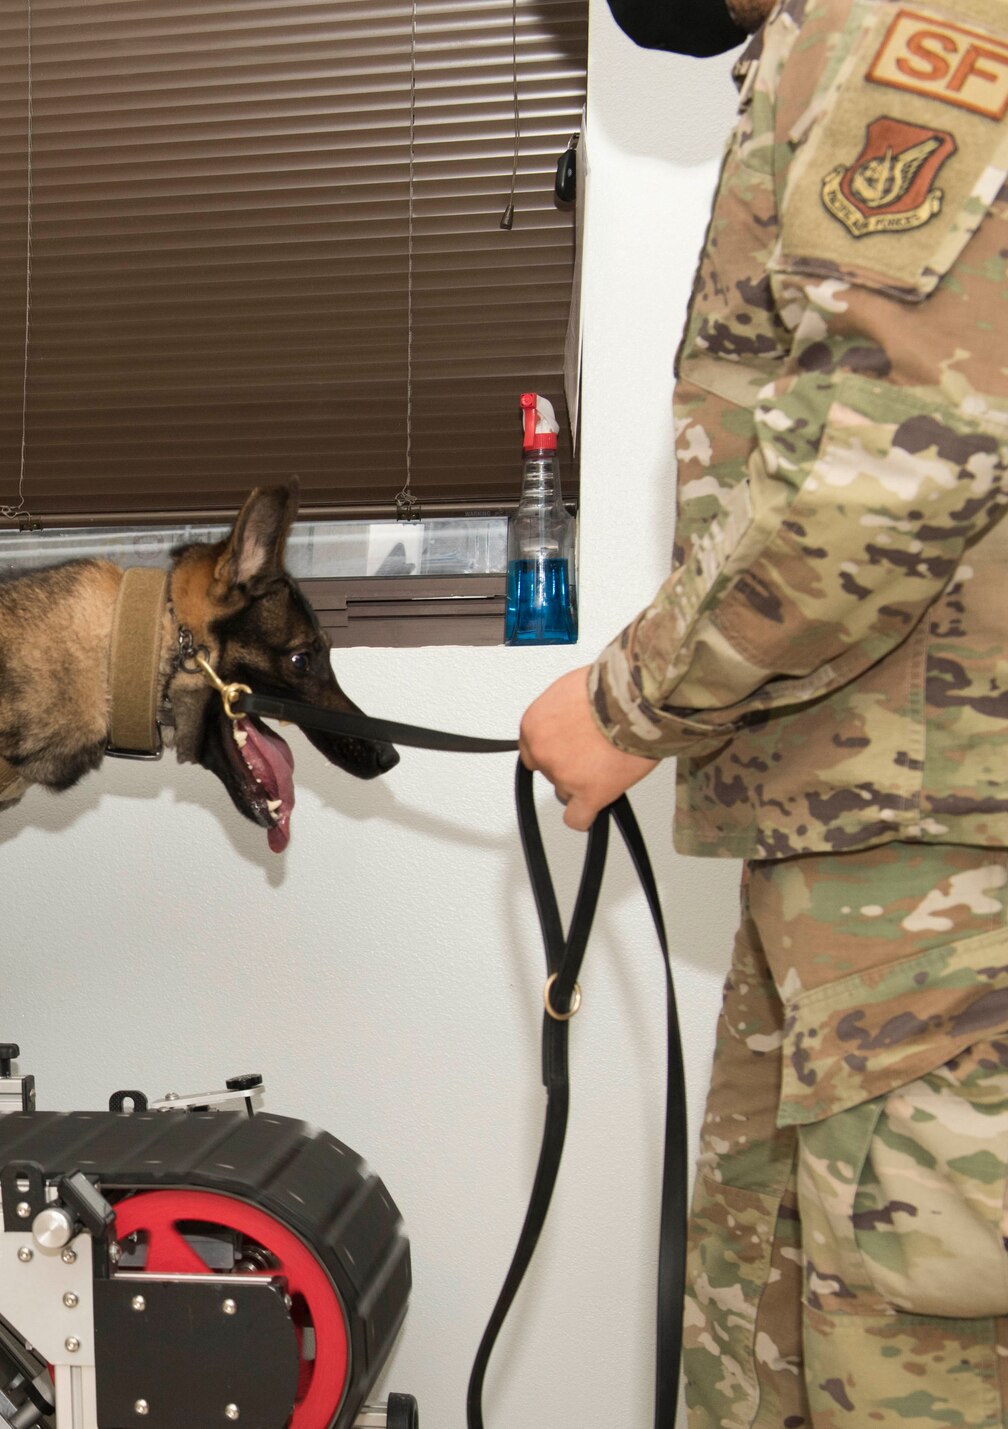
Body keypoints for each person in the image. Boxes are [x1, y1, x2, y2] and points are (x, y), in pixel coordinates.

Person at [519, 0, 1008, 1424]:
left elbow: (900, 457)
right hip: (867, 868)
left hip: (945, 895)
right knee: (770, 1357)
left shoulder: (916, 26)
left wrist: (630, 703)